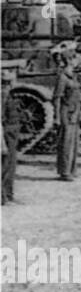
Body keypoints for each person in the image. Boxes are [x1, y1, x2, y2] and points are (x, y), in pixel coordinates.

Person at [52, 42, 81, 181]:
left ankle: (72, 169)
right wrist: (57, 117)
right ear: (69, 60)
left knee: (74, 142)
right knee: (65, 142)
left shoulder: (72, 76)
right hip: (66, 112)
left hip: (74, 111)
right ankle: (64, 171)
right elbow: (57, 98)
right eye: (74, 58)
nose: (77, 60)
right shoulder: (62, 77)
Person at [2, 69, 19, 203]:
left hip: (11, 132)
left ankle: (8, 193)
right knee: (6, 164)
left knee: (10, 165)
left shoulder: (7, 95)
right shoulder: (3, 96)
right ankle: (4, 195)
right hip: (6, 133)